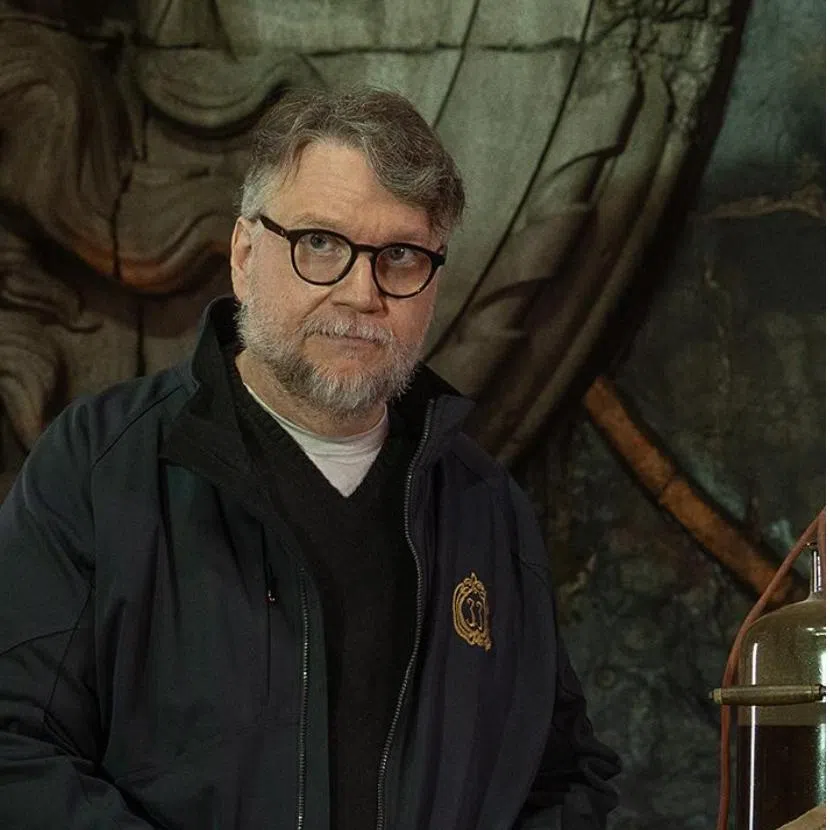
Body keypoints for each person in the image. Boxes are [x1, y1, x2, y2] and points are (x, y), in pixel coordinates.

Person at [0, 87, 620, 829]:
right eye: (321, 244)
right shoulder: (100, 469)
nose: (362, 292)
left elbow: (563, 782)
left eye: (399, 256)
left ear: (433, 282)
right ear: (243, 254)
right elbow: (15, 749)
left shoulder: (487, 509)